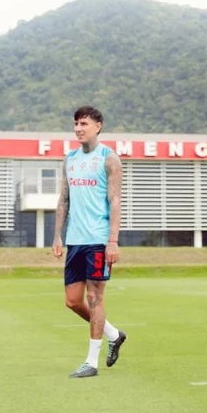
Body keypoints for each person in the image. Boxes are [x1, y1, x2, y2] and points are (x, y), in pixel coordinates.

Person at [52, 106, 127, 378]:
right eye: (75, 124)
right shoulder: (70, 159)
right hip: (75, 240)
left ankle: (91, 362)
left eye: (84, 123)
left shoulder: (109, 159)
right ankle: (114, 334)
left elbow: (115, 201)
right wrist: (57, 235)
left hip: (98, 239)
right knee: (73, 301)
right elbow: (64, 199)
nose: (78, 128)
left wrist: (113, 240)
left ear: (98, 126)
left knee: (95, 297)